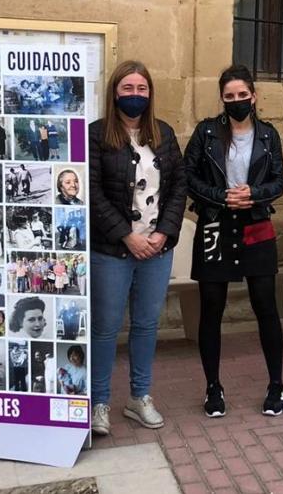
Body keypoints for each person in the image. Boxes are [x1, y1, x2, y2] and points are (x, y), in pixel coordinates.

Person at [184, 65, 283, 419]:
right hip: (215, 223)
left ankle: (276, 384)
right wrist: (221, 196)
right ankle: (213, 387)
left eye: (242, 95)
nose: (236, 101)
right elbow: (189, 176)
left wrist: (254, 194)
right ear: (222, 99)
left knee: (265, 306)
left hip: (256, 225)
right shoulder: (207, 132)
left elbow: (279, 180)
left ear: (254, 96)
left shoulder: (267, 135)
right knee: (211, 308)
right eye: (229, 96)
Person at [89, 61, 187, 435]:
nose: (134, 95)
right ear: (115, 92)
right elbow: (93, 194)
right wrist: (126, 236)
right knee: (106, 328)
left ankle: (138, 397)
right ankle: (99, 402)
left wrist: (164, 232)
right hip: (112, 251)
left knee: (146, 325)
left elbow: (178, 186)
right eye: (127, 88)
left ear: (150, 93)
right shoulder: (97, 135)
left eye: (141, 89)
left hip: (156, 251)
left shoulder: (162, 133)